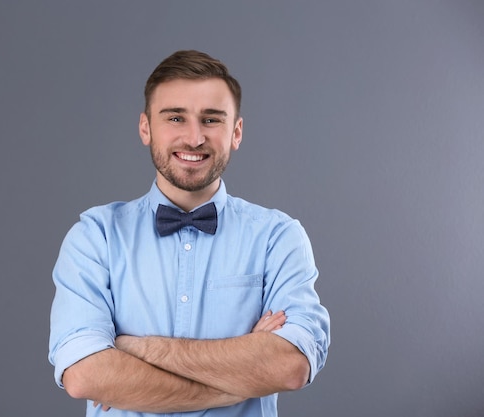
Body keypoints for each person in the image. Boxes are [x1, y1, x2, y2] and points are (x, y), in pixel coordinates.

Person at [48, 49, 330, 416]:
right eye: (176, 117)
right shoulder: (95, 237)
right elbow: (87, 376)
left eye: (211, 119)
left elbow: (290, 366)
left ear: (236, 132)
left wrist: (140, 349)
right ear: (146, 128)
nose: (194, 138)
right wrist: (240, 375)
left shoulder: (278, 238)